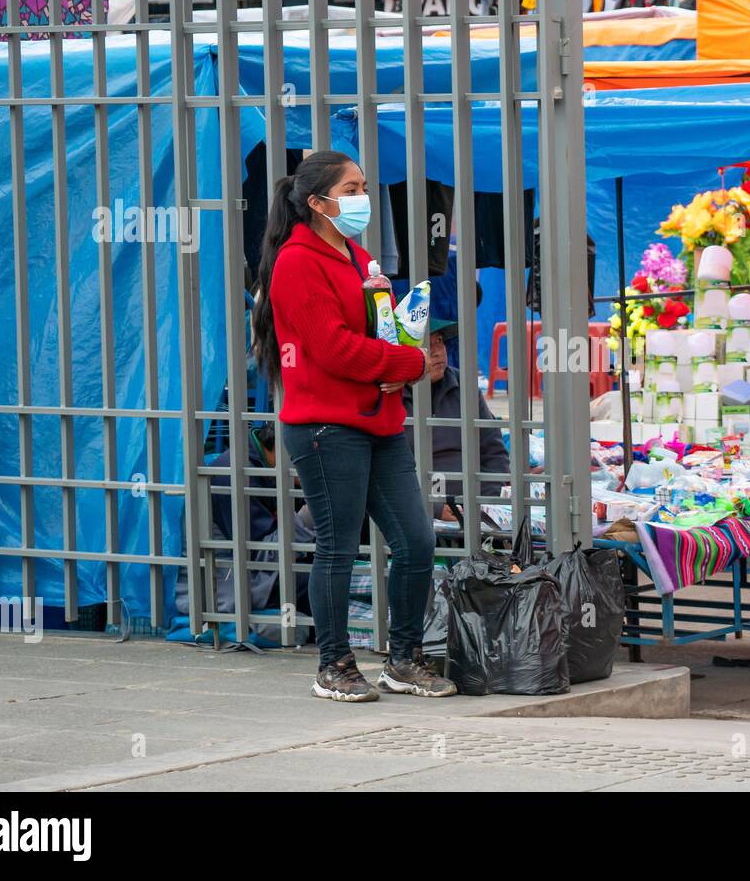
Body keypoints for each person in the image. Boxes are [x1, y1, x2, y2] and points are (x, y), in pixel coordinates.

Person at [252, 149, 456, 702]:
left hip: (378, 418)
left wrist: (406, 360)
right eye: (350, 189)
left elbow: (377, 336)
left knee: (415, 540)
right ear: (317, 203)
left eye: (363, 185)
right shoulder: (297, 261)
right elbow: (333, 349)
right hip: (325, 426)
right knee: (338, 546)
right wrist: (410, 366)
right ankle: (334, 664)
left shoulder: (358, 257)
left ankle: (404, 658)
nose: (362, 197)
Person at [174, 423, 314, 641]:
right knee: (320, 580)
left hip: (251, 575)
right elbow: (262, 554)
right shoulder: (236, 475)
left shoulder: (263, 464)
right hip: (230, 586)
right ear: (288, 449)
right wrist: (309, 514)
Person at [403, 319, 511, 520]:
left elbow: (494, 452)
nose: (436, 352)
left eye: (440, 341)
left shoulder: (464, 386)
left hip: (472, 502)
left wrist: (484, 503)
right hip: (412, 510)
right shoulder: (390, 394)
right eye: (426, 345)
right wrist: (433, 509)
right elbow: (384, 475)